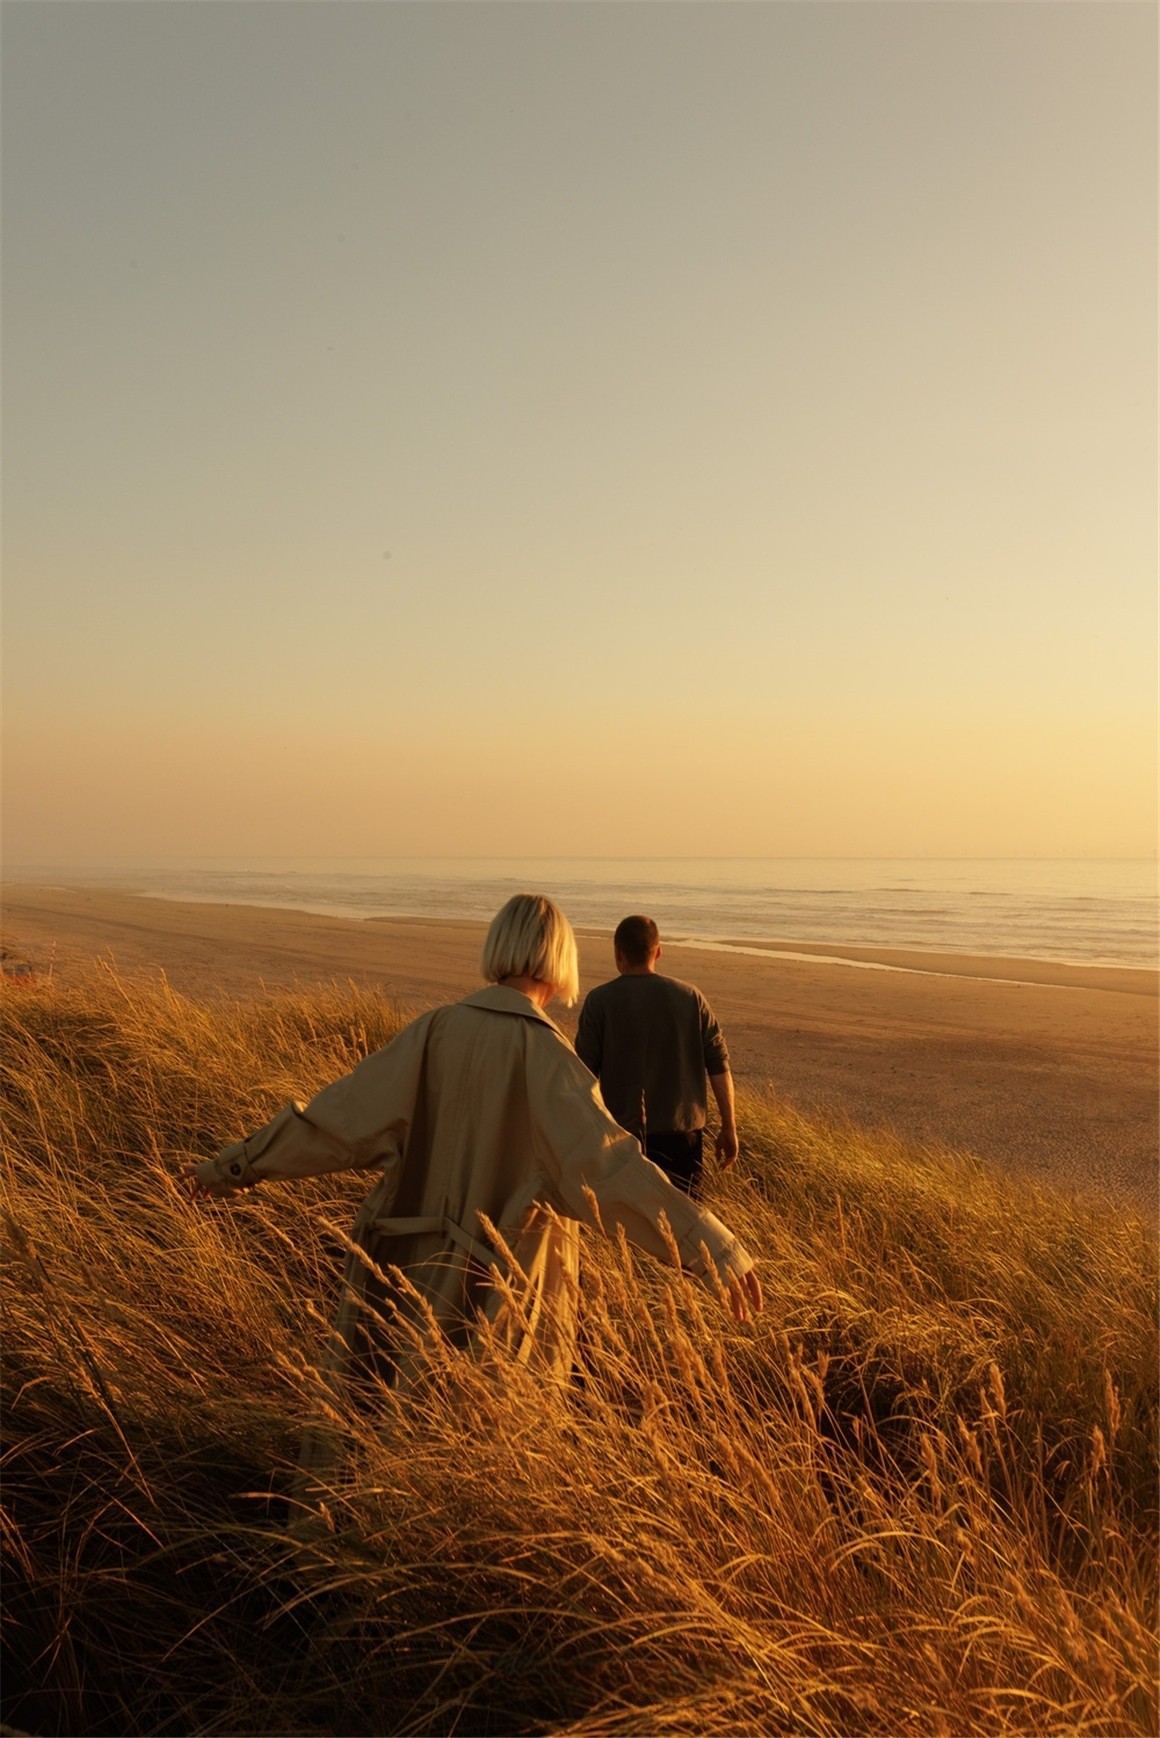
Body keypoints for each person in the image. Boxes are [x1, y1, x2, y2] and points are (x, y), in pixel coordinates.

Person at [184, 894, 761, 1407]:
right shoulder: (548, 1059)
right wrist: (714, 1250)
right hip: (497, 1302)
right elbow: (609, 1170)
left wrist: (232, 1167)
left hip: (401, 1283)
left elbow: (332, 1123)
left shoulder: (433, 1031)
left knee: (381, 1440)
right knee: (473, 1461)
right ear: (560, 961)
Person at [575, 915, 738, 1201]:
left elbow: (582, 1074)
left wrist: (582, 1132)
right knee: (684, 1225)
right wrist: (728, 1127)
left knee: (627, 1225)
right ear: (658, 952)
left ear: (618, 953)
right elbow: (719, 1064)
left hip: (620, 1135)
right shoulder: (690, 997)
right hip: (683, 1136)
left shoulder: (600, 1001)